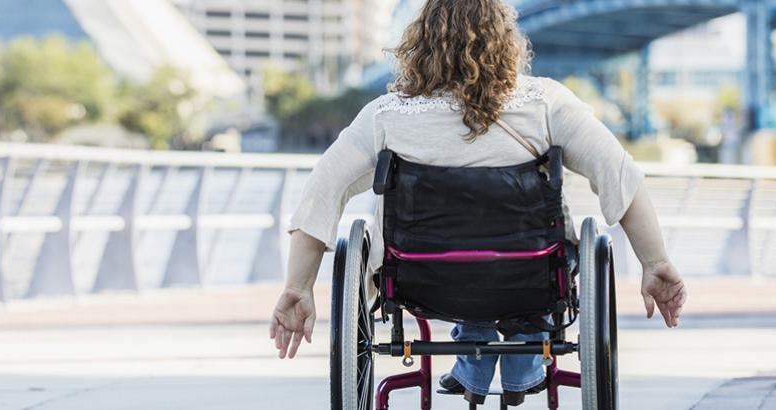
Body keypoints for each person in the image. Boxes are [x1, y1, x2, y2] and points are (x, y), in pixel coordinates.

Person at [268, 0, 687, 405]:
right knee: (539, 247)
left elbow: (321, 191)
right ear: (507, 42)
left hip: (423, 281)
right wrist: (654, 262)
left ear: (420, 45)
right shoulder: (546, 104)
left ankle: (476, 348)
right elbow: (621, 176)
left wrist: (298, 286)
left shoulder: (387, 117)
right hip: (531, 275)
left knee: (460, 251)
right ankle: (525, 342)